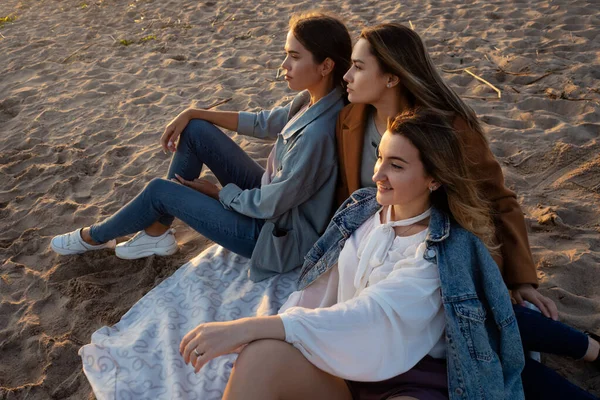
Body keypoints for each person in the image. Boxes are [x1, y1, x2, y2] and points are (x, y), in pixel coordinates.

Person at [179, 110, 525, 400]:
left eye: (397, 166)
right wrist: (266, 333)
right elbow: (320, 286)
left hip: (411, 378)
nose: (378, 175)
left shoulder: (441, 251)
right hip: (343, 362)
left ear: (434, 179)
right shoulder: (361, 210)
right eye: (380, 157)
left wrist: (249, 326)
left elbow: (372, 313)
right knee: (260, 356)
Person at [336, 23, 599, 399]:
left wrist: (521, 278)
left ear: (392, 76)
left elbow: (498, 199)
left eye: (359, 67)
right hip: (391, 254)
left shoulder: (448, 126)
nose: (348, 75)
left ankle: (587, 350)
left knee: (484, 335)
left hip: (452, 256)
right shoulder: (350, 121)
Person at [50, 12, 352, 281]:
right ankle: (156, 233)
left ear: (325, 65)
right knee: (195, 131)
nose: (284, 65)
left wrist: (221, 194)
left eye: (294, 57)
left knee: (160, 191)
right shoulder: (316, 100)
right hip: (271, 203)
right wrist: (195, 112)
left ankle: (94, 237)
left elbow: (268, 205)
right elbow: (263, 123)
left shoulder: (316, 135)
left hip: (274, 238)